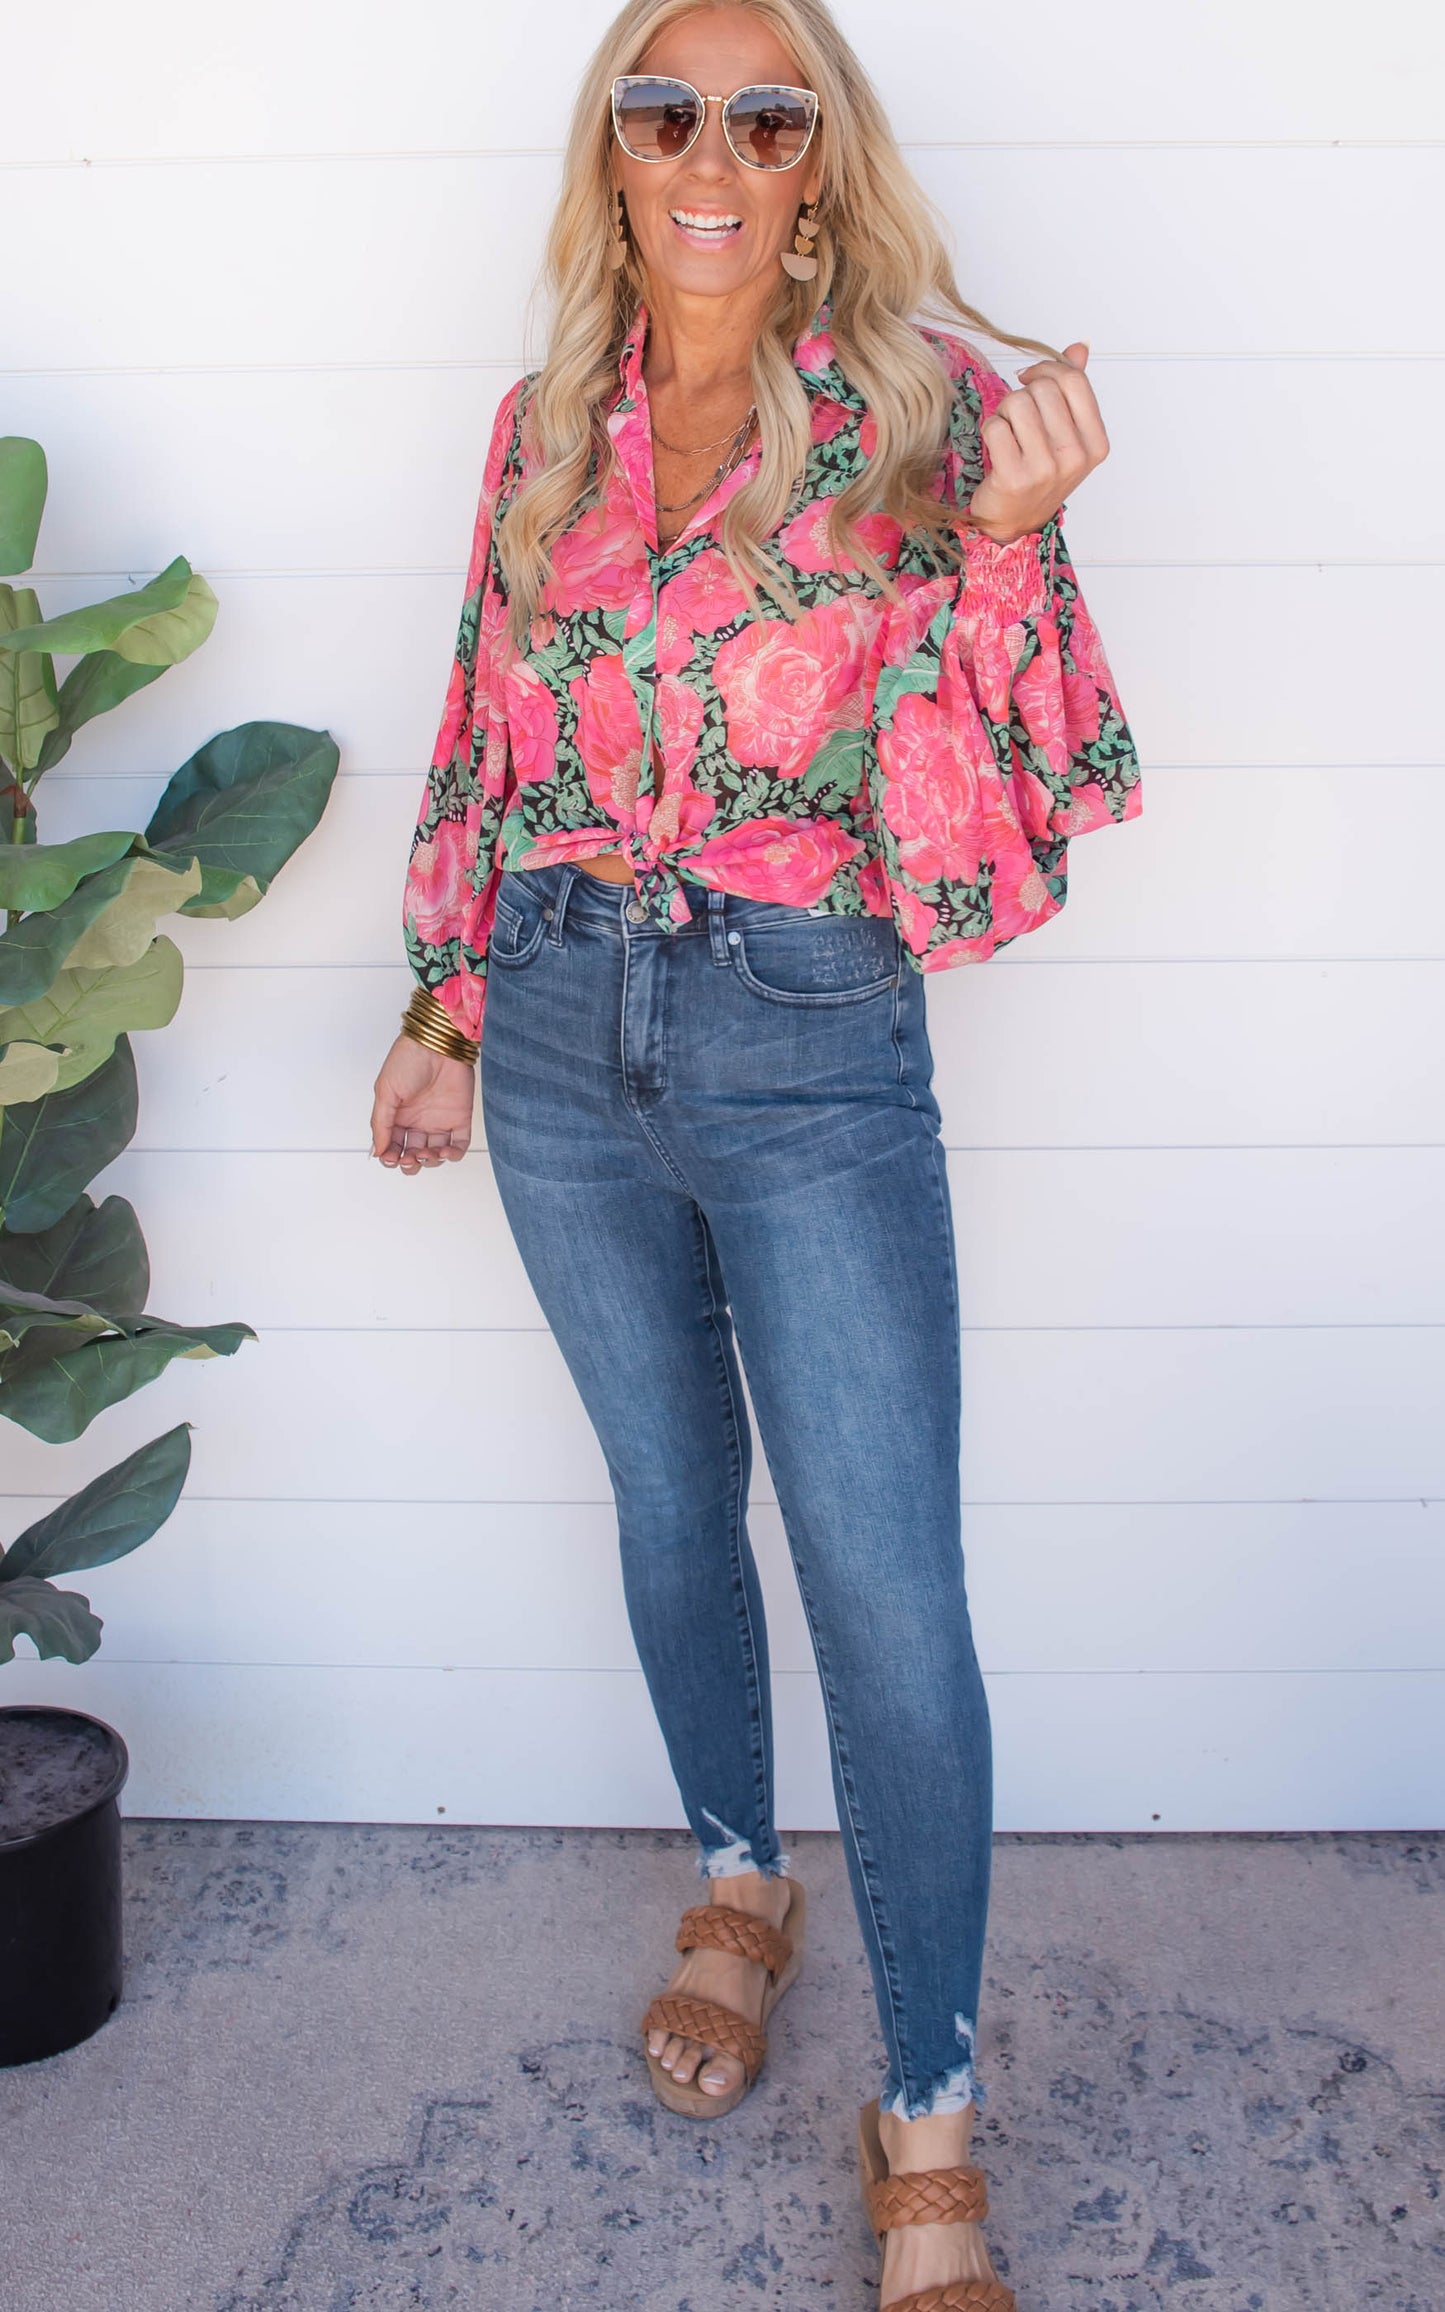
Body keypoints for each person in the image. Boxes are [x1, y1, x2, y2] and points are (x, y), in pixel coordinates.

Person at [370, 1, 1141, 2302]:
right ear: (617, 154)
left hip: (804, 1033)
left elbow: (1016, 847)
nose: (713, 149)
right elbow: (486, 723)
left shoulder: (927, 426)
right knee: (669, 1504)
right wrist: (444, 998)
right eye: (667, 107)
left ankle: (930, 2102)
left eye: (765, 113)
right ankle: (738, 1870)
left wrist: (1013, 542)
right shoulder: (539, 433)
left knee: (892, 1595)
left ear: (821, 163)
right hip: (553, 1019)